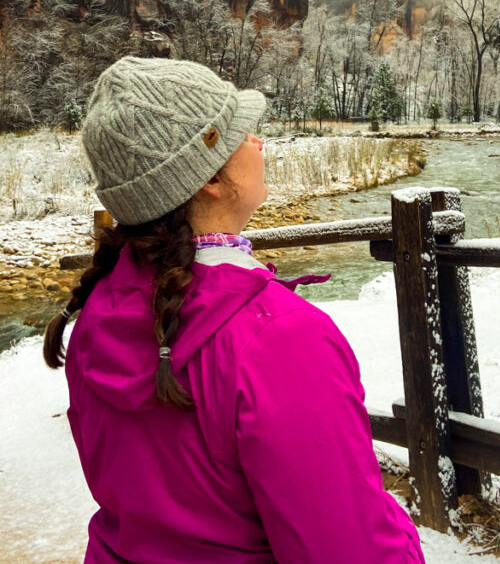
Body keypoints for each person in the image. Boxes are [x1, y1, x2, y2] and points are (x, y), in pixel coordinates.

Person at [44, 56, 425, 564]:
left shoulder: (96, 310)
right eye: (243, 133)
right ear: (209, 178)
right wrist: (398, 526)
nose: (259, 142)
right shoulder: (277, 338)